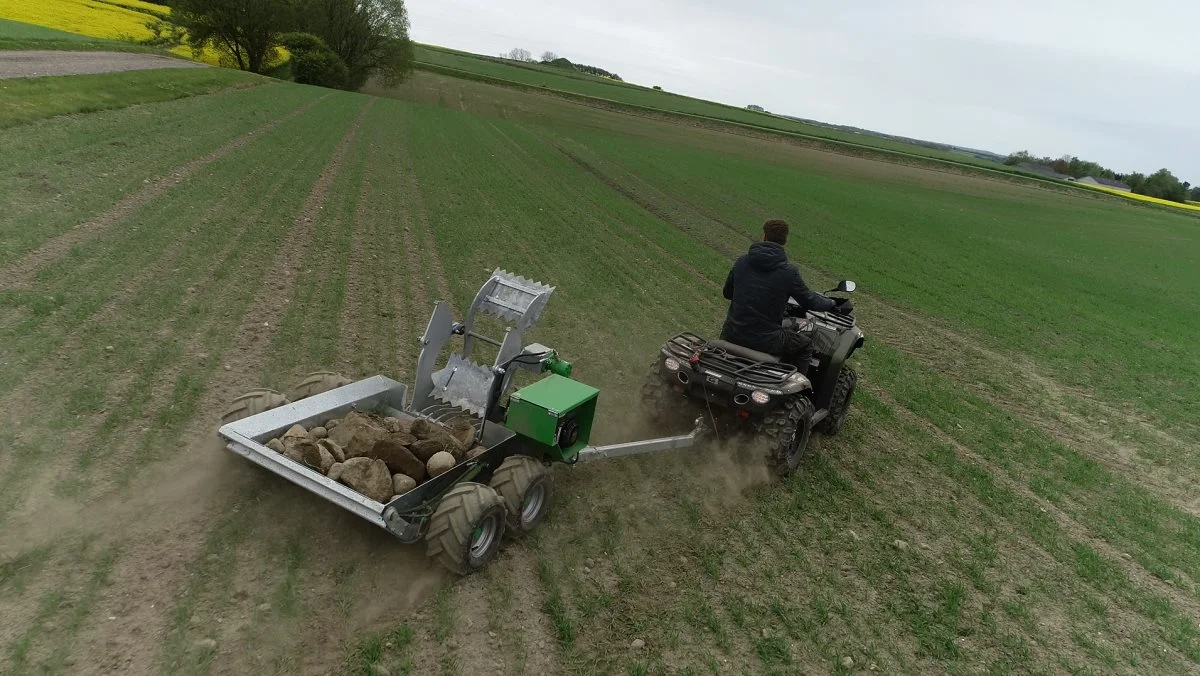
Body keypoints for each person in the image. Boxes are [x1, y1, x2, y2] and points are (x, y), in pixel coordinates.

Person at [719, 219, 850, 372]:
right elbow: (810, 301)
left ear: (764, 236)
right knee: (805, 345)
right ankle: (797, 390)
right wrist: (832, 303)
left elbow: (727, 293)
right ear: (785, 241)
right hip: (766, 341)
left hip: (731, 333)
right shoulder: (788, 272)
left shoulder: (742, 262)